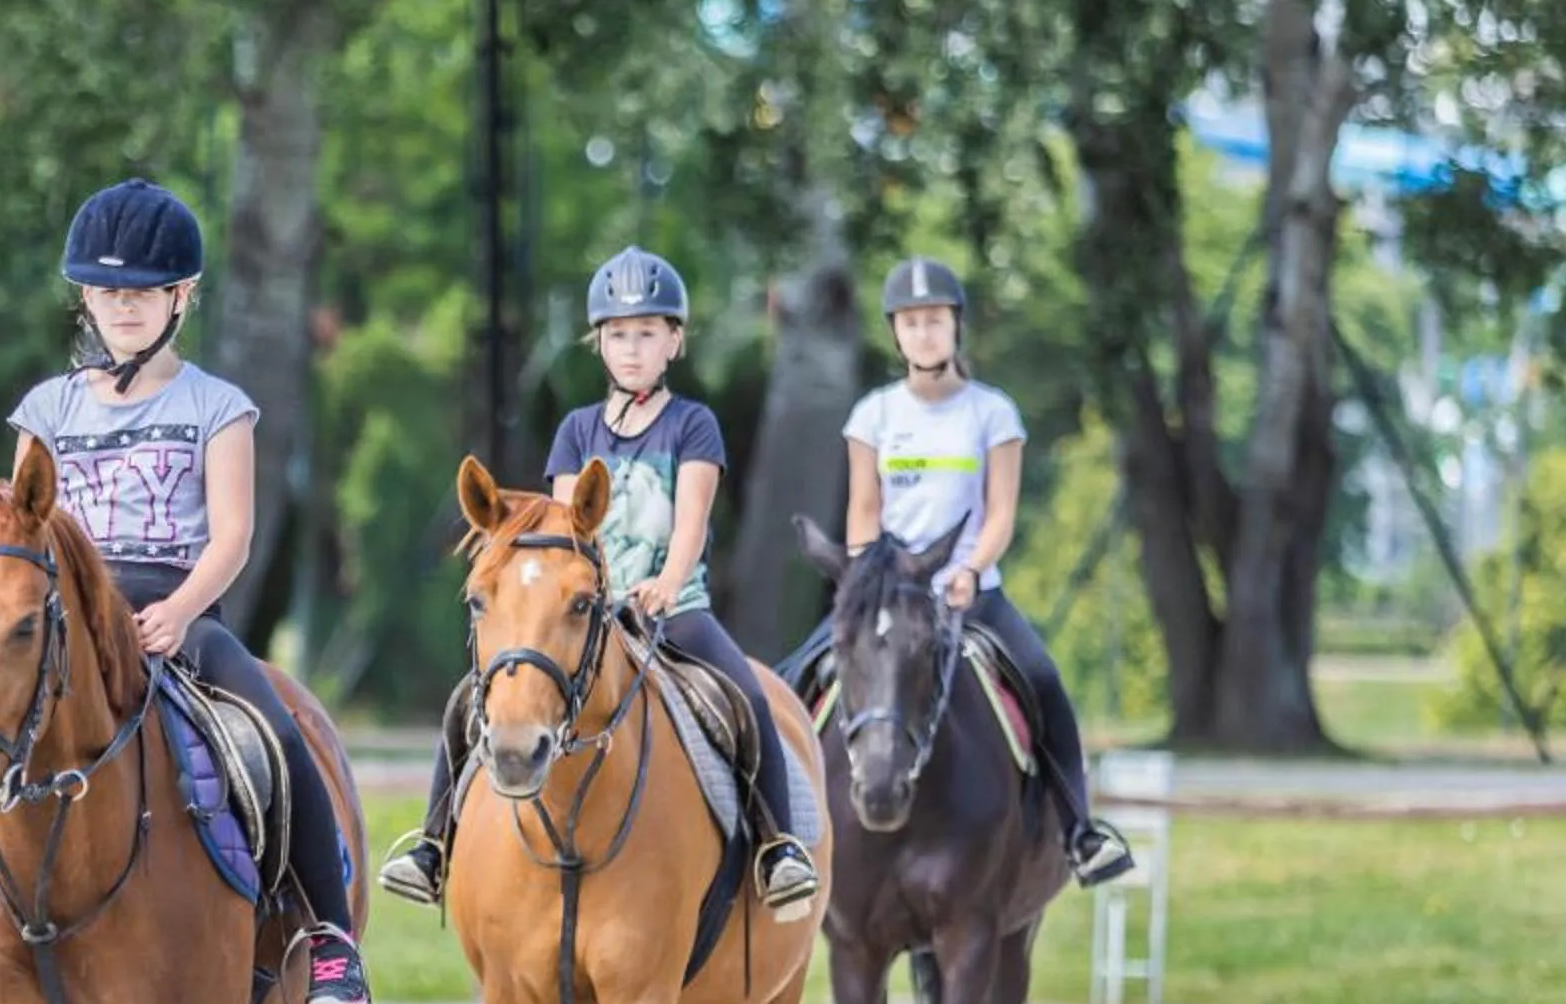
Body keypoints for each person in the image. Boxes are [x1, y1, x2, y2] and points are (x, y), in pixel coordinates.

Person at [0, 178, 374, 1004]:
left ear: (180, 297)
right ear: (85, 297)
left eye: (143, 294)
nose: (123, 308)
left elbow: (232, 536)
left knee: (272, 725)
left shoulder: (217, 407)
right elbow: (19, 523)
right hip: (60, 613)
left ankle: (331, 939)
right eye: (107, 292)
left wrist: (184, 611)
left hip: (177, 608)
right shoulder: (46, 409)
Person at [377, 246, 822, 921]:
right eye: (618, 334)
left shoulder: (692, 425)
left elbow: (693, 522)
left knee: (746, 697)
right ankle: (434, 846)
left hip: (677, 610)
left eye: (647, 333)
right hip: (591, 614)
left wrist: (669, 582)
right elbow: (565, 534)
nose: (632, 348)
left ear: (674, 341)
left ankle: (778, 846)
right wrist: (584, 596)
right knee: (471, 700)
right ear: (599, 344)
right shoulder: (576, 430)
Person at [811, 255, 1133, 885]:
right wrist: (859, 581)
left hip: (969, 594)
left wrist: (972, 568)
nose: (923, 334)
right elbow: (864, 511)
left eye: (934, 321)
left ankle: (1080, 831)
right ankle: (781, 833)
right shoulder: (873, 416)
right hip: (889, 598)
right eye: (910, 323)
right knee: (800, 677)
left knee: (1044, 683)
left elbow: (1000, 512)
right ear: (895, 333)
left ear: (955, 327)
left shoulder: (992, 413)